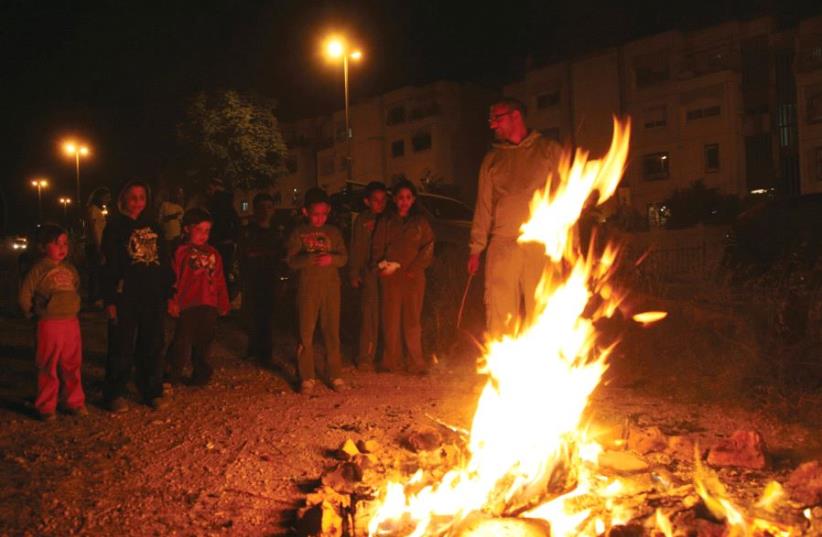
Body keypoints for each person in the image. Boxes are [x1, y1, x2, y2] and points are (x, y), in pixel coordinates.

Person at [467, 98, 561, 337]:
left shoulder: (549, 151)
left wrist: (571, 247)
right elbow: (484, 207)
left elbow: (566, 197)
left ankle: (547, 368)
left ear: (516, 116)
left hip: (541, 243)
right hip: (503, 244)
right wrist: (476, 249)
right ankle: (503, 370)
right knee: (499, 310)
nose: (492, 125)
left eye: (496, 118)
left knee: (544, 309)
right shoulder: (492, 160)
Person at [101, 180, 175, 412]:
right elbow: (109, 265)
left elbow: (164, 261)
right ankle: (114, 392)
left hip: (152, 295)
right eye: (132, 197)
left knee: (152, 344)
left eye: (141, 197)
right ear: (123, 199)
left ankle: (151, 389)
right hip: (126, 297)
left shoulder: (154, 227)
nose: (137, 202)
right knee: (121, 345)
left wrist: (170, 291)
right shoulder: (114, 227)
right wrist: (110, 299)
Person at [18, 224, 86, 420]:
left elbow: (76, 288)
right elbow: (25, 294)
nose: (62, 248)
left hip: (71, 323)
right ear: (43, 247)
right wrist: (33, 314)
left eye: (65, 243)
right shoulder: (38, 269)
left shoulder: (70, 269)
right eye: (56, 244)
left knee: (72, 364)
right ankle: (46, 406)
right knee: (48, 366)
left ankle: (74, 402)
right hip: (49, 324)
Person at [286, 188, 348, 393]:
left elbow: (344, 258)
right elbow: (290, 261)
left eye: (324, 214)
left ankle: (335, 374)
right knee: (306, 332)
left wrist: (332, 259)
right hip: (307, 288)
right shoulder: (298, 233)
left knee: (332, 331)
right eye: (315, 214)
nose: (320, 218)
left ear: (328, 211)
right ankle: (306, 376)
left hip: (331, 287)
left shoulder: (334, 232)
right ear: (305, 212)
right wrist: (308, 259)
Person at [371, 180, 435, 375]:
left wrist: (414, 268)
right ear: (394, 199)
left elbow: (428, 247)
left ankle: (417, 363)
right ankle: (390, 361)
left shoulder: (420, 223)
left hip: (414, 278)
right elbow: (377, 248)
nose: (404, 202)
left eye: (408, 198)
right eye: (400, 198)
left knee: (412, 320)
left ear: (414, 200)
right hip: (391, 278)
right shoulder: (386, 221)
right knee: (390, 320)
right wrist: (381, 266)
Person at [167, 208, 229, 386]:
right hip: (187, 304)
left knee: (204, 342)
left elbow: (219, 279)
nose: (203, 235)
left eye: (207, 231)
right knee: (182, 341)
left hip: (208, 304)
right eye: (199, 230)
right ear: (187, 229)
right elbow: (173, 277)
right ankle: (171, 374)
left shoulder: (213, 254)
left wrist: (222, 301)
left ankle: (201, 375)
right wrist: (172, 300)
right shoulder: (180, 252)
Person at [348, 181, 388, 371]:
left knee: (387, 315)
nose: (380, 204)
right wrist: (354, 272)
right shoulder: (363, 220)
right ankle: (365, 357)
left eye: (383, 200)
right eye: (375, 200)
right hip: (369, 273)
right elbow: (357, 248)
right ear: (367, 201)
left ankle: (386, 356)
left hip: (388, 274)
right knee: (369, 316)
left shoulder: (390, 219)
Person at [238, 193, 280, 363]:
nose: (265, 211)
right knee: (253, 314)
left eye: (269, 207)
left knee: (268, 316)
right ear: (255, 210)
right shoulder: (248, 232)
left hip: (270, 278)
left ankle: (266, 352)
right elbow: (243, 254)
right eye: (261, 207)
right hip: (252, 279)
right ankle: (253, 348)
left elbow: (281, 255)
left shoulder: (277, 232)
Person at [206, 179, 240, 294]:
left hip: (219, 241)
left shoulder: (216, 204)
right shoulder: (226, 204)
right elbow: (235, 221)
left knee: (218, 269)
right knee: (224, 269)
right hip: (225, 242)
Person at [85, 187, 111, 306]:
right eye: (106, 197)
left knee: (96, 271)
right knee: (96, 272)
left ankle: (95, 297)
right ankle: (95, 299)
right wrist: (99, 247)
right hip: (95, 245)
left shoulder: (96, 210)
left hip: (97, 244)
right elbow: (95, 229)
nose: (108, 200)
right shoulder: (93, 210)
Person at [158, 186, 185, 251]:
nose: (176, 196)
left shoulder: (179, 207)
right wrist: (174, 216)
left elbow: (182, 222)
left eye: (178, 194)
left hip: (177, 236)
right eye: (174, 194)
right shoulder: (164, 205)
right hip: (167, 235)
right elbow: (161, 219)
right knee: (167, 254)